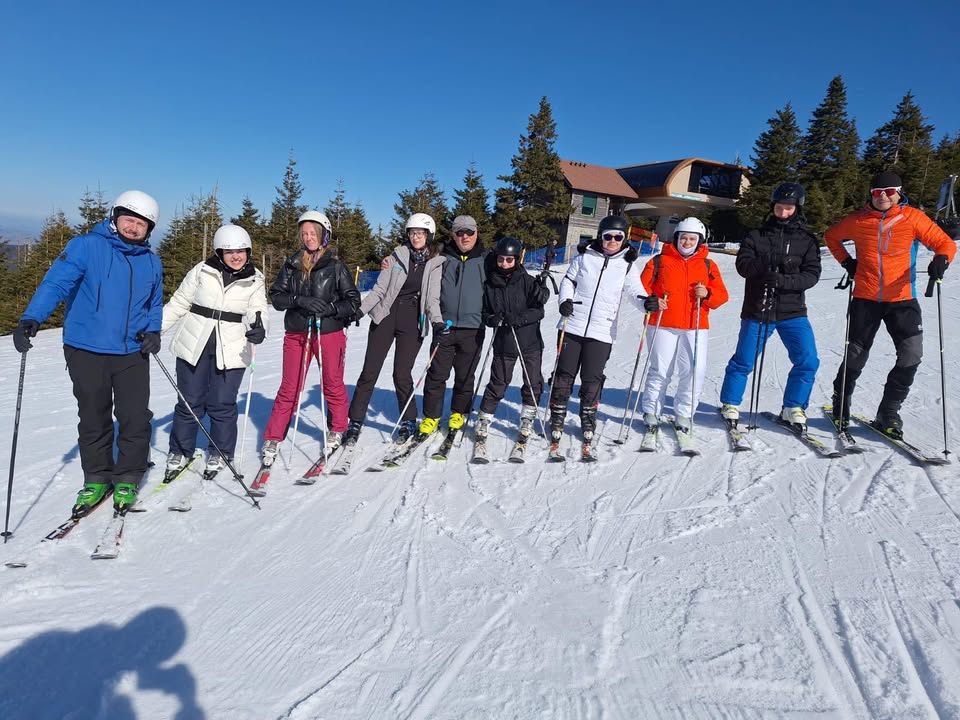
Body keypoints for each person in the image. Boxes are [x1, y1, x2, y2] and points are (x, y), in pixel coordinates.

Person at [12, 190, 164, 515]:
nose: (134, 227)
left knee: (135, 416)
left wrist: (153, 332)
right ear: (115, 216)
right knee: (94, 415)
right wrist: (32, 317)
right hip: (86, 349)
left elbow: (153, 303)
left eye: (141, 223)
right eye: (129, 219)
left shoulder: (151, 261)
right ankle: (96, 477)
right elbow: (57, 283)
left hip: (131, 351)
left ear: (149, 229)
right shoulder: (86, 246)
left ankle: (127, 475)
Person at [825, 170, 955, 437]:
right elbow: (831, 237)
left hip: (903, 299)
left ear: (899, 192)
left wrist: (942, 258)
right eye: (877, 192)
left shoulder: (913, 218)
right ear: (870, 195)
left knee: (911, 355)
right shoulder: (858, 221)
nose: (883, 196)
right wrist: (849, 263)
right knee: (855, 355)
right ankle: (841, 404)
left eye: (889, 191)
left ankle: (889, 412)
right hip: (865, 298)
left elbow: (944, 242)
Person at [161, 224, 269, 477]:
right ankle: (180, 450)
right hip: (194, 342)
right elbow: (179, 302)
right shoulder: (202, 270)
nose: (236, 256)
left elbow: (258, 308)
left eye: (241, 251)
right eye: (229, 251)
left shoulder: (255, 278)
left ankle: (221, 451)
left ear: (248, 251)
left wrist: (259, 326)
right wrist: (155, 330)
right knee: (189, 401)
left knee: (222, 403)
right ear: (219, 252)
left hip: (231, 347)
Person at [259, 211, 361, 464]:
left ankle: (338, 428)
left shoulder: (336, 266)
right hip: (297, 333)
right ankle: (274, 435)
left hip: (328, 333)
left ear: (323, 234)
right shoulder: (292, 264)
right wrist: (299, 300)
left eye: (313, 233)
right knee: (289, 387)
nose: (308, 237)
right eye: (304, 233)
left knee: (332, 384)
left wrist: (333, 309)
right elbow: (277, 296)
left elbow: (353, 300)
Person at [718, 182, 822, 428]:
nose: (783, 213)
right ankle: (730, 404)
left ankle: (793, 407)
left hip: (793, 311)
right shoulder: (756, 236)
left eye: (788, 208)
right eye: (779, 208)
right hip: (758, 309)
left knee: (808, 360)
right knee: (743, 360)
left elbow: (812, 275)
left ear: (797, 208)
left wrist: (784, 280)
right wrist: (763, 263)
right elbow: (743, 267)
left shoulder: (807, 240)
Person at [342, 213, 443, 447]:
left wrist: (436, 321)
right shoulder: (396, 257)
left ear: (429, 235)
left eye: (420, 233)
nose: (416, 236)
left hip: (412, 320)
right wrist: (360, 311)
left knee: (402, 374)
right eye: (412, 232)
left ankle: (408, 420)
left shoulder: (436, 263)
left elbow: (432, 299)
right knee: (369, 371)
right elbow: (378, 290)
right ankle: (355, 421)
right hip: (386, 315)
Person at [550, 215, 645, 449]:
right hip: (572, 324)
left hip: (602, 330)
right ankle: (558, 414)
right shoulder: (584, 257)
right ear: (600, 236)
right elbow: (569, 281)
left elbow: (635, 291)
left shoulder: (628, 264)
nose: (612, 241)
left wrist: (646, 303)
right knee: (564, 373)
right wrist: (565, 300)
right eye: (608, 236)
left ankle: (587, 416)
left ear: (624, 239)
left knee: (592, 377)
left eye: (618, 237)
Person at [639, 217, 728, 433]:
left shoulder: (708, 264)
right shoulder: (658, 261)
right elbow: (640, 288)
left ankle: (684, 413)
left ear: (699, 241)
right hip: (662, 323)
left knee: (694, 369)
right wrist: (650, 300)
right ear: (676, 238)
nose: (687, 242)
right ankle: (651, 410)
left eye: (692, 239)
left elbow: (722, 295)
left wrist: (707, 294)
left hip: (695, 325)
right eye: (683, 238)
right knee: (660, 369)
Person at [473, 236, 549, 456]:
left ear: (516, 260)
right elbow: (485, 313)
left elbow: (539, 310)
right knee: (498, 382)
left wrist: (521, 318)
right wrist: (492, 319)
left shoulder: (526, 281)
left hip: (529, 341)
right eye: (501, 260)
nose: (504, 264)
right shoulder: (490, 284)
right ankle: (484, 420)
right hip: (504, 342)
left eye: (509, 260)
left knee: (532, 382)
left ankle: (527, 419)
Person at [418, 215, 488, 438]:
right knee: (437, 374)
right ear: (453, 235)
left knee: (465, 375)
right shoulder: (441, 257)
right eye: (460, 233)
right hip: (445, 325)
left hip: (473, 327)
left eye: (469, 232)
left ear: (476, 233)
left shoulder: (487, 259)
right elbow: (415, 256)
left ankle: (459, 412)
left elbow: (507, 278)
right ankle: (431, 416)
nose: (464, 237)